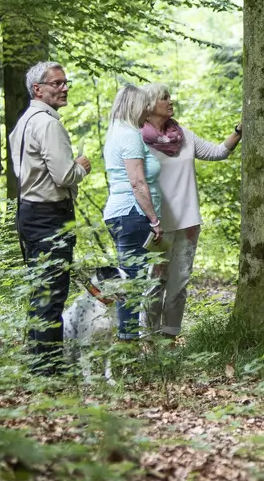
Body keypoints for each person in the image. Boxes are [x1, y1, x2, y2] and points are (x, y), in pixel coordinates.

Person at [8, 61, 93, 375]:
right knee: (51, 294)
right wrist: (82, 165)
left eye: (65, 82)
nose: (64, 87)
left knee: (41, 290)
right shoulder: (47, 123)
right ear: (37, 89)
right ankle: (48, 370)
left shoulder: (24, 121)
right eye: (56, 83)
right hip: (48, 217)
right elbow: (64, 175)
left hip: (30, 213)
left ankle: (40, 363)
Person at [139, 83, 241, 341]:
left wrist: (239, 131)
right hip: (158, 224)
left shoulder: (184, 135)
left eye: (169, 96)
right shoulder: (139, 140)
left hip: (188, 222)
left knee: (179, 283)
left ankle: (170, 337)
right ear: (149, 105)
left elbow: (218, 152)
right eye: (164, 97)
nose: (170, 101)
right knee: (154, 283)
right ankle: (147, 339)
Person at [102, 83, 163, 342]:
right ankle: (129, 345)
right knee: (133, 283)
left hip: (118, 213)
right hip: (132, 213)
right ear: (134, 106)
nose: (147, 110)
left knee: (129, 278)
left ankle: (128, 341)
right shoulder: (129, 135)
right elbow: (137, 182)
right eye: (144, 105)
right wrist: (154, 219)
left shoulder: (115, 131)